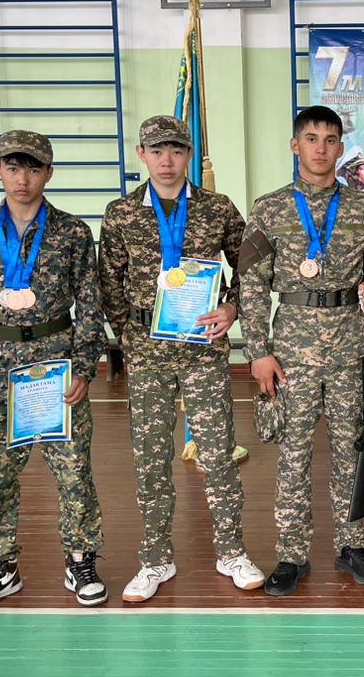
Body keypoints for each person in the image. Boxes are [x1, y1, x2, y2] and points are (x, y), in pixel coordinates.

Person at [0, 130, 106, 614]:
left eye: (33, 168)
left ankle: (81, 558)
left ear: (48, 173)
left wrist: (85, 366)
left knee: (73, 471)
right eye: (13, 168)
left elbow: (90, 306)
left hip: (55, 364)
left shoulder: (73, 233)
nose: (22, 178)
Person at [99, 115, 263, 603]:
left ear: (188, 155)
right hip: (147, 353)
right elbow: (108, 281)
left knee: (217, 455)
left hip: (203, 350)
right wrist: (129, 335)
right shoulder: (121, 213)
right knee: (150, 460)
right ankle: (154, 559)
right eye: (156, 151)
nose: (166, 161)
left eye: (176, 151)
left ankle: (231, 550)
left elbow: (250, 266)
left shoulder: (217, 208)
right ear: (141, 155)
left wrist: (232, 305)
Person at [240, 105, 364, 597]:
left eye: (330, 139)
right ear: (295, 145)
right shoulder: (269, 209)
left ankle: (351, 545)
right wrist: (257, 351)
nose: (320, 147)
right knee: (293, 454)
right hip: (292, 351)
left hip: (349, 345)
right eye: (311, 138)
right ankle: (291, 553)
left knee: (352, 449)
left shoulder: (363, 208)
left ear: (341, 149)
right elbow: (251, 285)